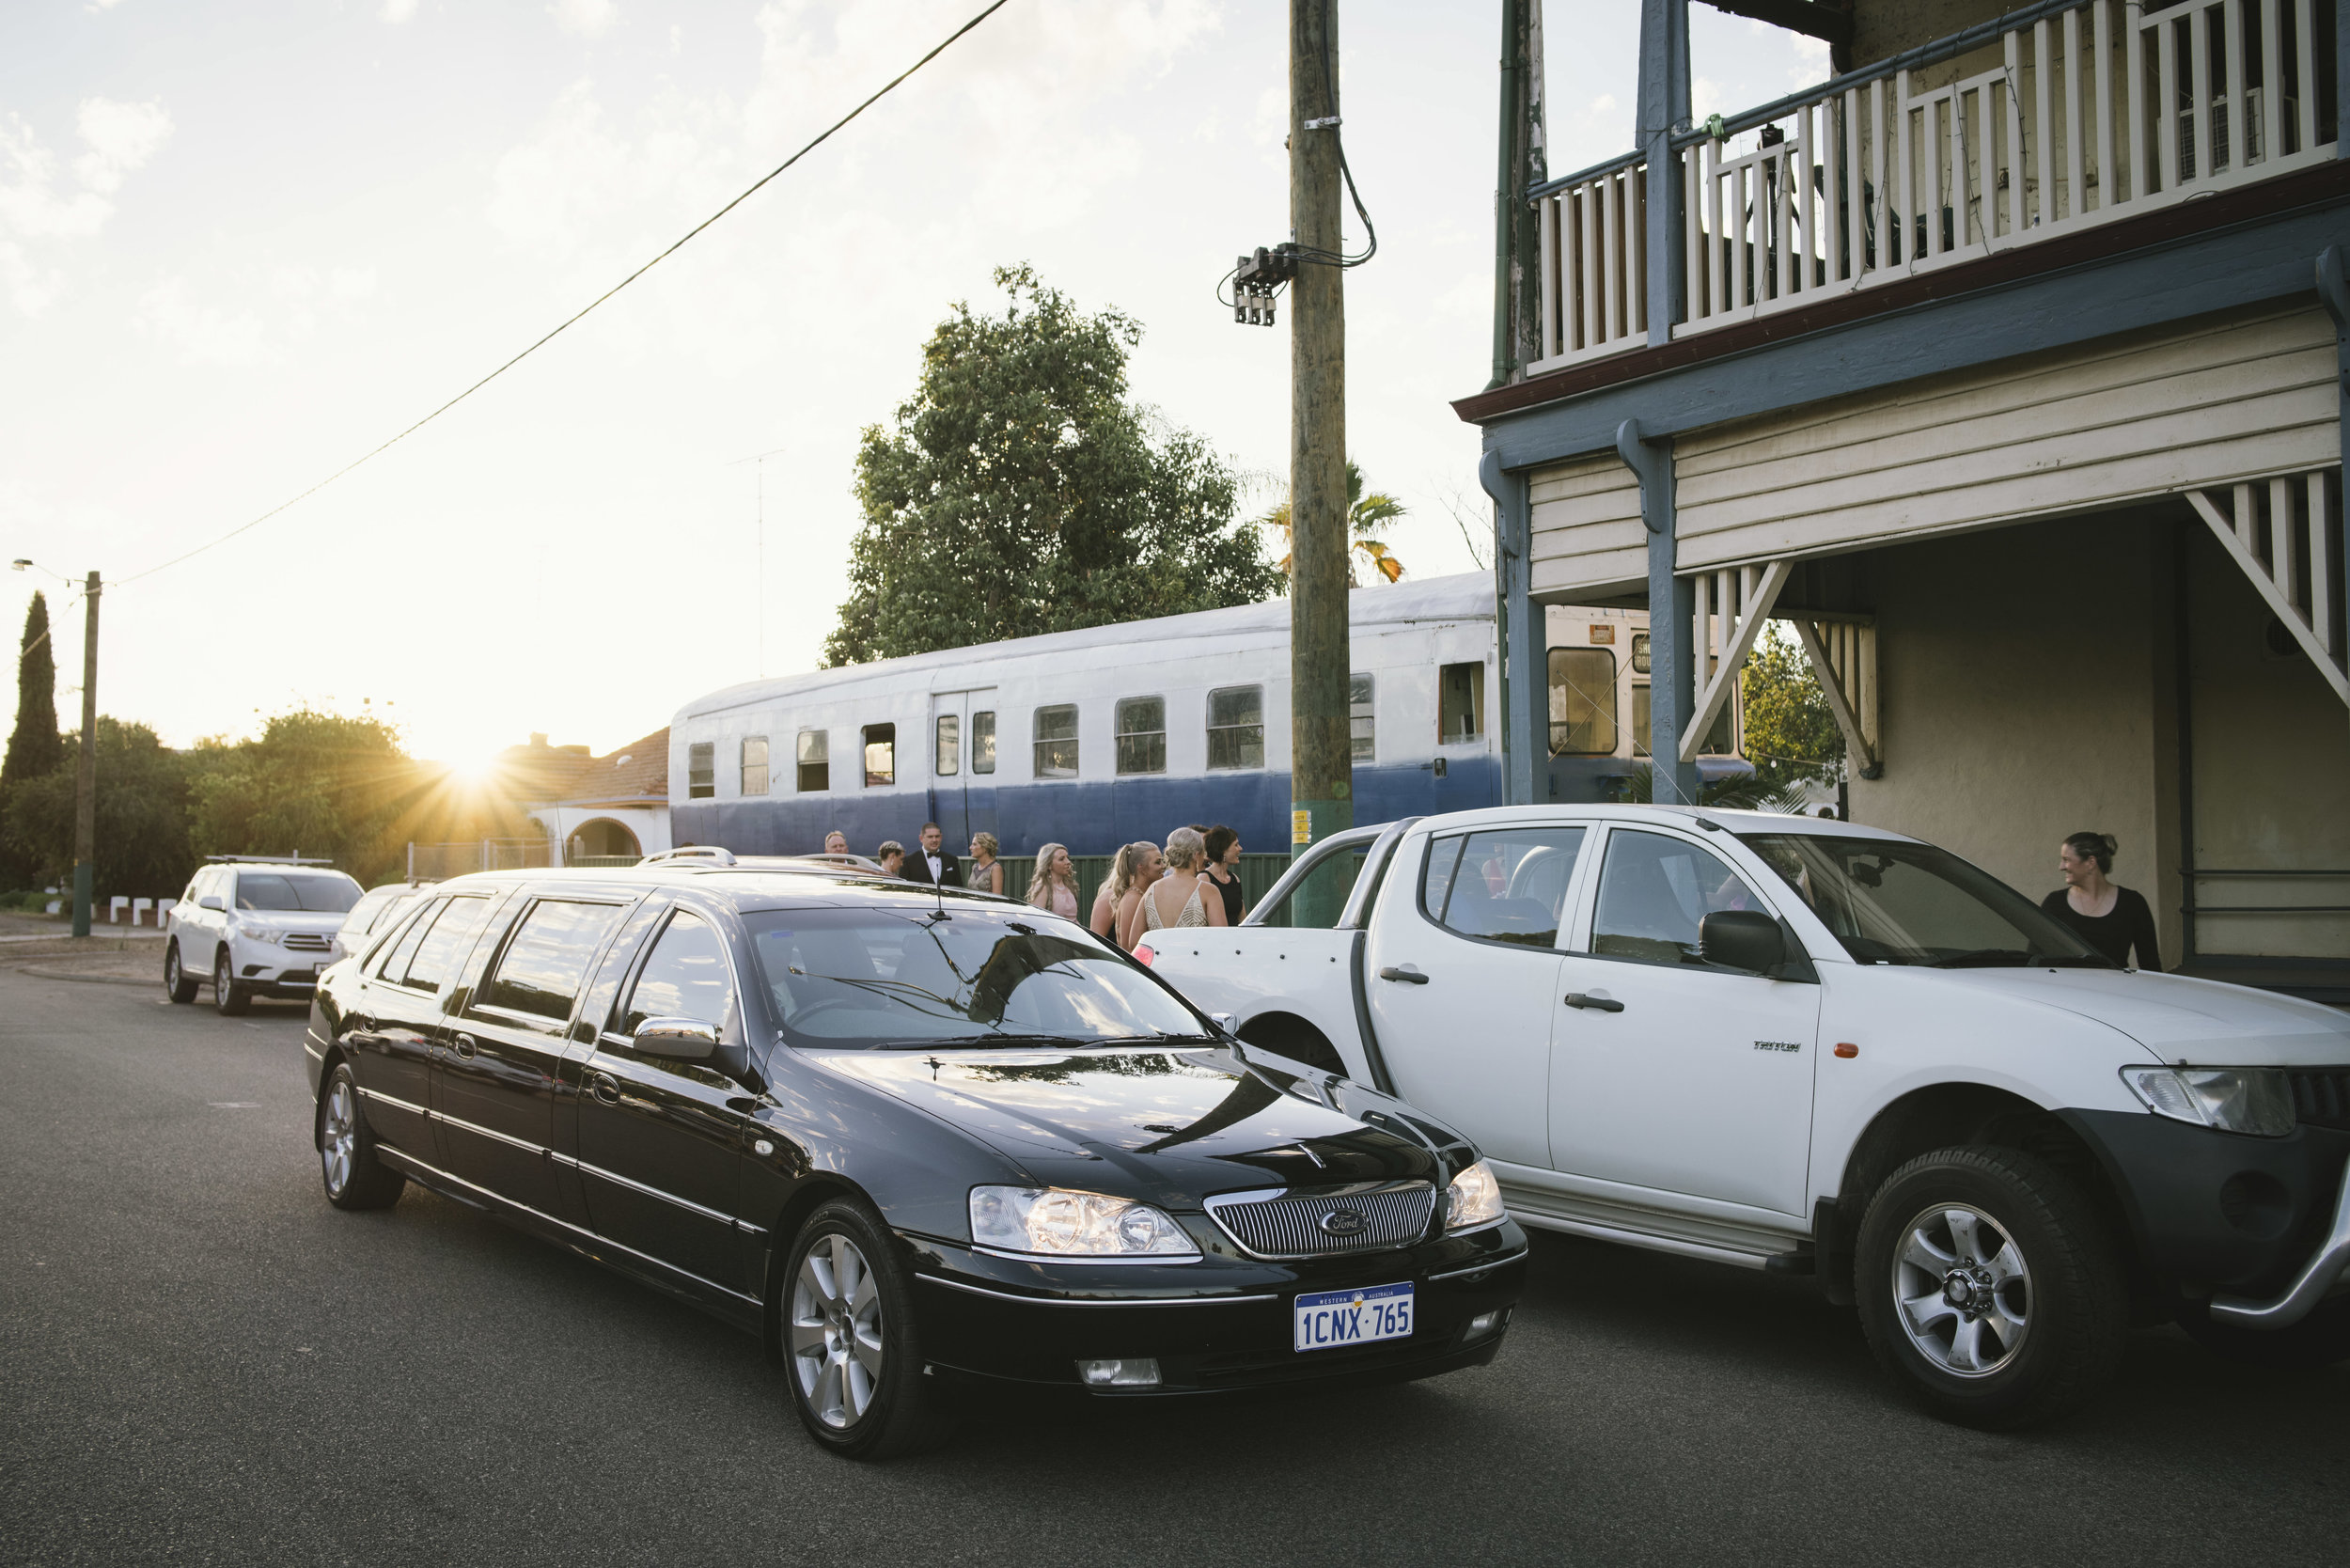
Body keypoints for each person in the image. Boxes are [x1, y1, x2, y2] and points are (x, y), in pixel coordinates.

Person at [2041, 830, 2163, 970]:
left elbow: (2151, 965)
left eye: (2066, 860)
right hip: (2066, 989)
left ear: (2091, 862)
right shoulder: (2054, 903)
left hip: (2113, 989)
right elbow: (2035, 958)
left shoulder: (2132, 903)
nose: (2061, 867)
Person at [1133, 825, 1228, 945]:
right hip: (1193, 962)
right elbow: (1222, 940)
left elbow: (1133, 942)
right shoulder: (1208, 891)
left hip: (1159, 962)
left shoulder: (1152, 889)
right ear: (1196, 855)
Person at [1093, 841, 1163, 939]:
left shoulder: (1141, 895)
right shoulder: (1131, 899)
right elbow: (1129, 948)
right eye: (1158, 862)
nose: (1163, 866)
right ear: (1141, 868)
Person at [1201, 824, 1246, 927]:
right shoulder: (1204, 878)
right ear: (1223, 850)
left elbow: (1242, 919)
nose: (1240, 848)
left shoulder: (1235, 879)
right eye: (1236, 845)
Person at [900, 821, 962, 890]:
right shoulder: (909, 861)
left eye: (937, 836)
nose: (934, 840)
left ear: (941, 837)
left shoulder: (952, 860)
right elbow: (904, 889)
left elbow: (959, 888)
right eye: (930, 837)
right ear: (921, 838)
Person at [1026, 843, 1079, 918]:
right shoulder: (1043, 887)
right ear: (1049, 865)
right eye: (1061, 859)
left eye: (1067, 858)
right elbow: (1036, 919)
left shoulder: (1069, 885)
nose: (1068, 862)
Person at [964, 831, 1004, 897]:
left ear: (985, 847)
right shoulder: (974, 867)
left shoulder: (995, 868)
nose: (970, 848)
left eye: (974, 844)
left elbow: (997, 898)